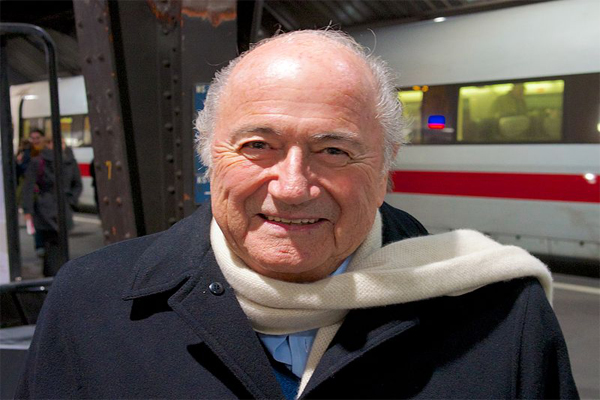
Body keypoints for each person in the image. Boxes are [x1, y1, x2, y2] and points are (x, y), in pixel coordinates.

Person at [16, 30, 578, 399]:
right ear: (209, 156)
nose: (291, 188)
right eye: (257, 145)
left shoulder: (502, 316)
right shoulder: (90, 303)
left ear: (386, 166)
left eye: (333, 150)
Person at [21, 137, 83, 277]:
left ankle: (56, 274)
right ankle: (54, 275)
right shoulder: (39, 161)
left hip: (63, 207)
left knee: (60, 243)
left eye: (62, 143)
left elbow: (77, 184)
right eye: (57, 142)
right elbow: (28, 187)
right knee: (51, 242)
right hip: (45, 208)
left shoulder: (69, 160)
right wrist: (28, 210)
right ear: (48, 144)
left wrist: (71, 200)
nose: (61, 145)